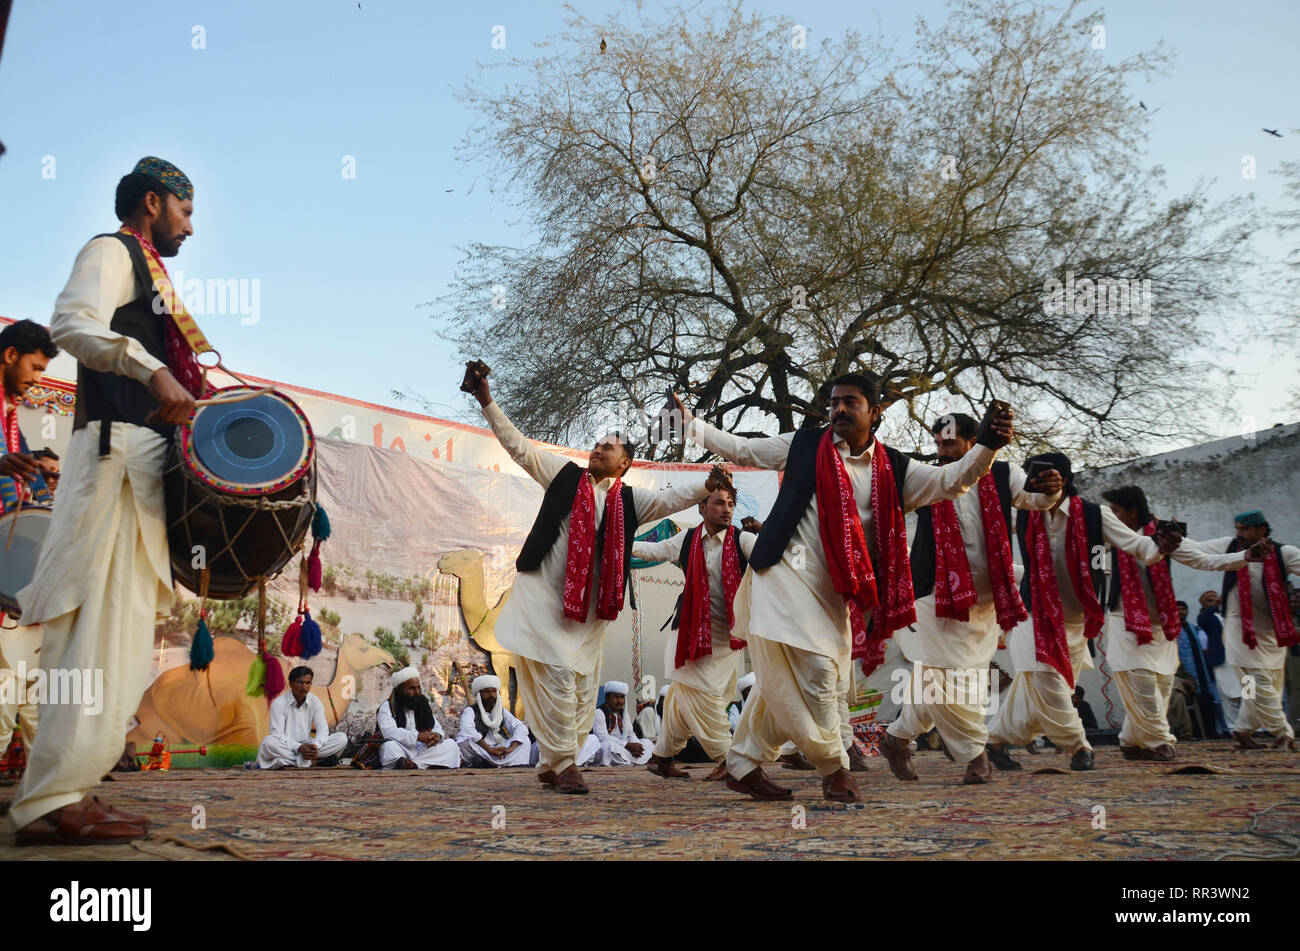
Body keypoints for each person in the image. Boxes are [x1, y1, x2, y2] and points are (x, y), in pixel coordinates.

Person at [674, 377, 1016, 802]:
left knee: (812, 681)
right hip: (782, 575)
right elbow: (742, 449)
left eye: (851, 402)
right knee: (817, 672)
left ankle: (742, 762)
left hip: (836, 594)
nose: (838, 409)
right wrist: (691, 423)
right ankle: (834, 768)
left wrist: (986, 447)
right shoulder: (804, 446)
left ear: (876, 412)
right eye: (834, 402)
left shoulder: (895, 468)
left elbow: (953, 481)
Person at [10, 158, 202, 845]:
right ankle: (50, 800)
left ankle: (73, 789)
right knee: (93, 629)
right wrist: (149, 368)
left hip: (140, 463)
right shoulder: (112, 250)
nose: (190, 224)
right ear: (153, 202)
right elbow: (71, 323)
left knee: (120, 634)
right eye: (184, 210)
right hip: (114, 456)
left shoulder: (152, 272)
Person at [467, 366, 731, 794]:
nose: (597, 449)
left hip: (593, 613)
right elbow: (519, 448)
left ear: (624, 463)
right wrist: (487, 401)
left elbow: (669, 498)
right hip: (545, 599)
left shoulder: (630, 500)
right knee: (557, 680)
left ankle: (553, 762)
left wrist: (706, 484)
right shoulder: (565, 477)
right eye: (596, 444)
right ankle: (567, 762)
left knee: (581, 687)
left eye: (607, 447)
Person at [885, 415, 1062, 785]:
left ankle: (897, 736)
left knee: (948, 674)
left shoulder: (1003, 473)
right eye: (938, 444)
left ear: (973, 441)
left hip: (985, 601)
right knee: (947, 673)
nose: (942, 451)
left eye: (949, 443)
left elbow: (1035, 500)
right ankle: (975, 754)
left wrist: (1051, 491)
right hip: (935, 594)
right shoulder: (929, 477)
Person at [987, 453, 1167, 772]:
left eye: (1041, 478)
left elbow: (1139, 547)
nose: (1034, 484)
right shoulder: (1023, 514)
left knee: (1037, 683)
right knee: (1046, 676)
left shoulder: (1096, 517)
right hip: (1032, 611)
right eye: (1030, 479)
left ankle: (996, 740)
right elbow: (985, 527)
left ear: (1063, 480)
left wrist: (1162, 546)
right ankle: (1078, 745)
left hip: (1075, 619)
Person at [1098, 487, 1258, 762]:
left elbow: (1203, 559)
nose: (1112, 516)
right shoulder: (1106, 537)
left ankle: (1130, 740)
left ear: (1133, 512)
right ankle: (1160, 739)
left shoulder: (1164, 538)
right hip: (1124, 620)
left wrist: (1244, 557)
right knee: (1141, 679)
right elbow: (1090, 563)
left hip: (1161, 623)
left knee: (1160, 683)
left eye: (1117, 510)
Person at [632, 485, 756, 781]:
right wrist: (618, 540)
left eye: (730, 503)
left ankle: (662, 757)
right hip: (688, 632)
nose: (726, 509)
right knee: (701, 697)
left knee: (686, 696)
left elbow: (773, 559)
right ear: (701, 508)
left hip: (728, 635)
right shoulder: (686, 539)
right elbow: (650, 551)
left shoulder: (744, 540)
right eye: (718, 503)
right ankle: (731, 760)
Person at [0, 320, 59, 771]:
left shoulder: (10, 414)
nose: (37, 379)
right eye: (35, 368)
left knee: (19, 695)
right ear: (9, 355)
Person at [1194, 511, 1300, 749]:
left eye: (1244, 529)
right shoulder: (1230, 547)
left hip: (1271, 633)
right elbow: (1196, 549)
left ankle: (1242, 730)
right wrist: (1168, 540)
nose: (1238, 534)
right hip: (1239, 630)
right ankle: (1283, 733)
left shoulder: (1284, 553)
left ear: (1261, 530)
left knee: (1259, 685)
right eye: (1238, 528)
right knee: (1258, 680)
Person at [255, 667, 348, 769]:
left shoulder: (315, 702)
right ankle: (313, 762)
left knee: (342, 738)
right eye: (300, 682)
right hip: (288, 747)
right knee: (268, 743)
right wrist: (298, 747)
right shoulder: (279, 703)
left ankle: (291, 761)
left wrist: (315, 746)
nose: (304, 687)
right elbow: (277, 734)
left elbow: (323, 729)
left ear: (311, 684)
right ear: (291, 684)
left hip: (308, 746)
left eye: (307, 683)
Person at [377, 667, 460, 769]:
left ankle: (414, 764)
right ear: (399, 689)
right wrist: (417, 736)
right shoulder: (387, 706)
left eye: (418, 687)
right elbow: (389, 732)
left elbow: (435, 726)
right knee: (389, 748)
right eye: (411, 688)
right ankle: (424, 763)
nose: (417, 692)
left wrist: (437, 736)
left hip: (421, 748)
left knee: (451, 745)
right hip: (402, 748)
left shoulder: (421, 703)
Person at [457, 674, 532, 767]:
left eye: (493, 691)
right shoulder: (470, 711)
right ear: (479, 695)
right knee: (466, 741)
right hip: (482, 749)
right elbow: (468, 730)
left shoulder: (502, 711)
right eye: (487, 692)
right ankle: (490, 762)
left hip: (499, 748)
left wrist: (510, 749)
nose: (491, 695)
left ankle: (509, 764)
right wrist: (489, 749)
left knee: (525, 740)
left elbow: (520, 727)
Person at [1175, 599, 1218, 737]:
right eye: (1178, 609)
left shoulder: (1194, 629)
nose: (1181, 612)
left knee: (1208, 701)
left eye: (1183, 609)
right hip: (1184, 674)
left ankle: (1212, 732)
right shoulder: (1172, 631)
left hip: (1202, 670)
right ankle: (1196, 733)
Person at [1199, 590, 1239, 734]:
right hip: (1223, 661)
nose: (1215, 600)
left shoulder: (1232, 613)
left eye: (1215, 598)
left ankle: (1255, 726)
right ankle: (1233, 728)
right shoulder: (1207, 618)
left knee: (1249, 692)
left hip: (1241, 658)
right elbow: (1202, 622)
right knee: (1227, 695)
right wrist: (1212, 607)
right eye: (1209, 600)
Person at [592, 681, 654, 765]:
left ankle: (630, 759)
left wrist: (637, 747)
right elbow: (602, 738)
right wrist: (627, 745)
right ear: (607, 698)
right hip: (609, 747)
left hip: (624, 747)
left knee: (648, 743)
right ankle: (634, 760)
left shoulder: (624, 714)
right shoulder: (599, 712)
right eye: (615, 697)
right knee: (608, 746)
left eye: (622, 697)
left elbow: (630, 734)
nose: (619, 701)